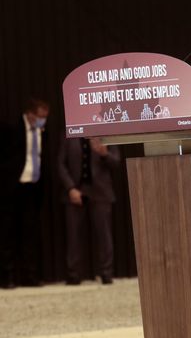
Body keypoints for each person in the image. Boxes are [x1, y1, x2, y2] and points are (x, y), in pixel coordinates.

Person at [0, 98, 50, 288]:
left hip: (32, 188)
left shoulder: (43, 132)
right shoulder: (12, 128)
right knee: (8, 233)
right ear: (30, 114)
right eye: (40, 117)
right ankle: (8, 277)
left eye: (45, 118)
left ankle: (30, 276)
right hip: (12, 188)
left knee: (30, 235)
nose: (42, 121)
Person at [57, 136, 120, 285]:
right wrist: (70, 188)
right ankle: (73, 275)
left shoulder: (106, 134)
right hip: (76, 192)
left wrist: (105, 154)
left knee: (104, 234)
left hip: (100, 192)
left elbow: (116, 162)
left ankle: (106, 273)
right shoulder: (69, 134)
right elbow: (60, 164)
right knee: (73, 235)